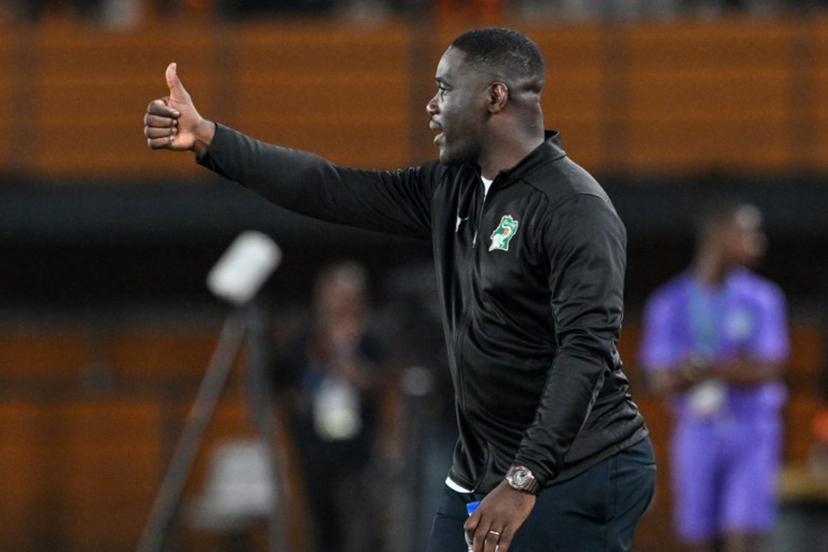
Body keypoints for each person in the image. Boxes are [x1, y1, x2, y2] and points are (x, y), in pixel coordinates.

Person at [143, 27, 655, 552]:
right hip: (485, 465)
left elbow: (585, 350)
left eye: (445, 89)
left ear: (495, 96)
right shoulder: (452, 187)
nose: (431, 105)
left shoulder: (574, 207)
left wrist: (526, 478)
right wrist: (209, 139)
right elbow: (327, 187)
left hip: (577, 467)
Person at [639, 201, 789, 552]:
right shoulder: (669, 302)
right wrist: (732, 366)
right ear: (718, 236)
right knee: (697, 535)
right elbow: (657, 379)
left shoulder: (763, 298)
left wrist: (698, 368)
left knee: (743, 533)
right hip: (697, 428)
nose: (758, 241)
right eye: (748, 232)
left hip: (752, 428)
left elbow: (768, 368)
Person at [276, 262, 388, 552]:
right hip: (315, 446)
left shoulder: (371, 337)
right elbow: (284, 383)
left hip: (359, 449)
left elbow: (380, 381)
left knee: (362, 527)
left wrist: (343, 364)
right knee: (322, 526)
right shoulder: (305, 338)